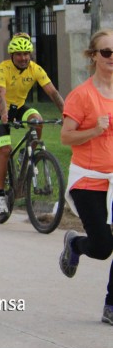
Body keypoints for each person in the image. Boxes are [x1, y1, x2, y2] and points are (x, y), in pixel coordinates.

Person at [59, 29, 113, 324]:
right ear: (93, 57)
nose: (112, 58)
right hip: (89, 180)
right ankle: (76, 245)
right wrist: (95, 130)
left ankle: (111, 306)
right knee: (103, 247)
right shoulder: (82, 95)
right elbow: (66, 137)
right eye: (106, 52)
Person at [0, 33, 64, 215]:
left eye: (26, 54)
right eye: (19, 54)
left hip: (20, 107)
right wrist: (4, 114)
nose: (23, 58)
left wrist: (67, 113)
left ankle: (25, 154)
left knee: (37, 121)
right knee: (4, 151)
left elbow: (53, 93)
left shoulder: (35, 69)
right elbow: (0, 95)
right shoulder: (2, 69)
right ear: (12, 56)